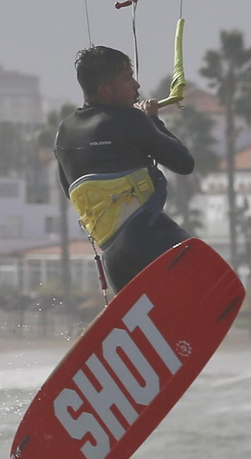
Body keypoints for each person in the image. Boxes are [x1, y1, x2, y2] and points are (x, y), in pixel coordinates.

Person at [55, 45, 196, 295]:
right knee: (202, 282)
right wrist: (152, 119)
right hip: (149, 237)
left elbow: (70, 190)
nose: (137, 86)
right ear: (105, 90)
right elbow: (184, 163)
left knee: (145, 320)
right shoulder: (131, 120)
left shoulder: (64, 131)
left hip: (113, 257)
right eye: (128, 79)